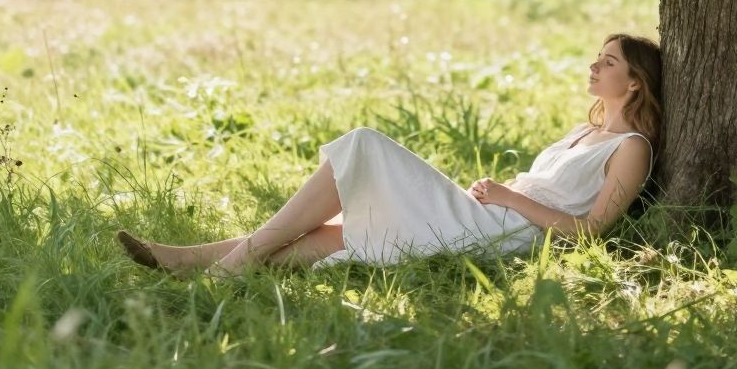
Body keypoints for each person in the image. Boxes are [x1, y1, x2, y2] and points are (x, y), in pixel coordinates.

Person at [116, 33, 662, 276]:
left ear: (635, 84)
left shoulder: (630, 148)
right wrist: (501, 195)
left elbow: (592, 230)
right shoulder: (579, 132)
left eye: (608, 62)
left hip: (507, 232)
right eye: (597, 57)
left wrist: (508, 197)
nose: (594, 66)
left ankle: (224, 271)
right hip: (492, 211)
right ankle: (190, 261)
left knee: (363, 146)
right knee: (336, 234)